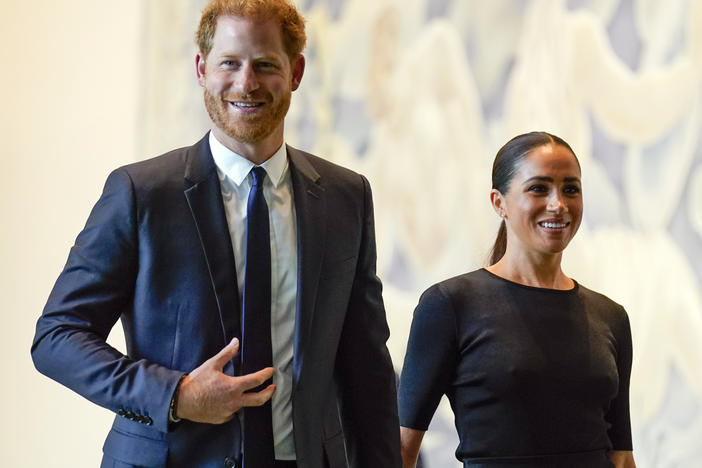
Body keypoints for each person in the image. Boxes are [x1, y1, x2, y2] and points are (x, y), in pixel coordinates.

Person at [31, 1, 401, 467]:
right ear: (202, 69)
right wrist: (177, 395)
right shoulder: (141, 193)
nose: (246, 82)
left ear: (296, 72)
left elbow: (368, 369)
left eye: (266, 64)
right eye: (230, 62)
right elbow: (58, 337)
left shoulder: (347, 196)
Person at [398, 132, 636, 468]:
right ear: (499, 202)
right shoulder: (450, 305)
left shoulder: (611, 317)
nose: (558, 204)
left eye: (571, 189)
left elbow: (622, 456)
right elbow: (402, 449)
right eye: (539, 188)